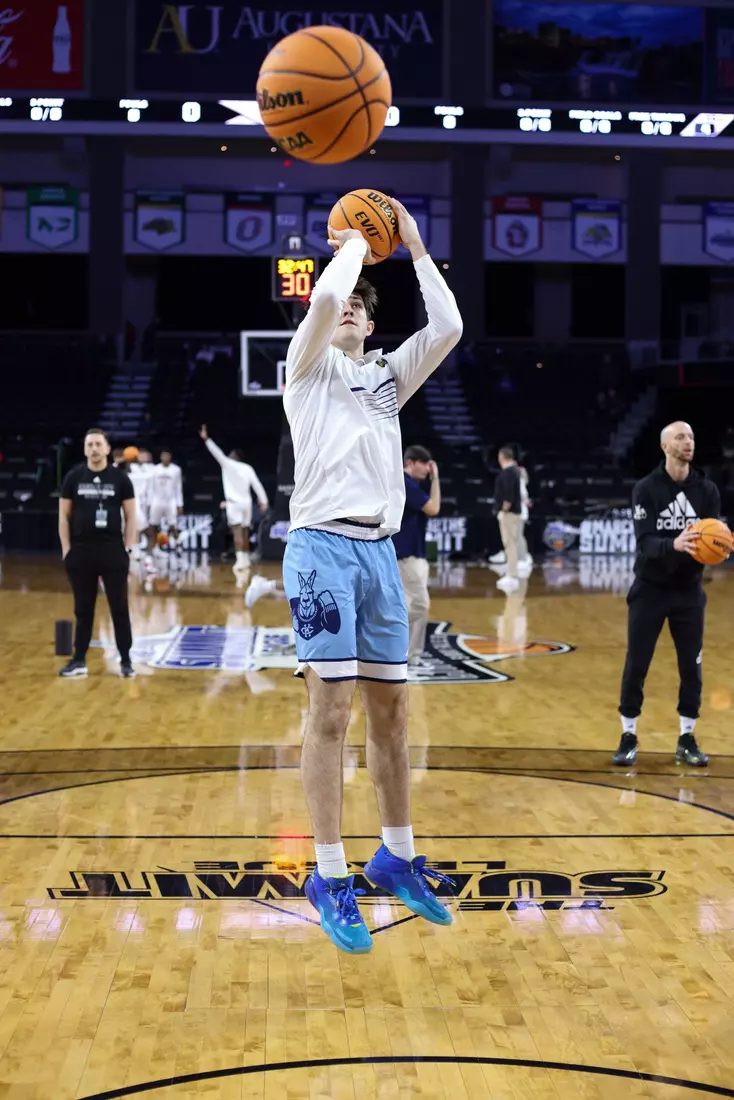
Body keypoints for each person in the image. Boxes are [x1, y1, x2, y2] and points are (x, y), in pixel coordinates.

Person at [282, 199, 462, 953]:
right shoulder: (307, 365)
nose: (350, 307)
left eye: (362, 305)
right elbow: (325, 295)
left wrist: (415, 247)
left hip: (381, 554)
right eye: (346, 301)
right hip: (320, 547)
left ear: (374, 323)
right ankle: (328, 872)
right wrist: (353, 244)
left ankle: (395, 854)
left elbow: (448, 329)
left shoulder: (387, 377)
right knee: (332, 713)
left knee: (392, 716)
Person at [613, 421, 721, 768]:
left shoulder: (707, 490)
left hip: (689, 591)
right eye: (680, 436)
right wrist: (673, 544)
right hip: (650, 589)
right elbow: (644, 543)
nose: (688, 441)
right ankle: (628, 735)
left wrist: (718, 547)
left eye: (691, 436)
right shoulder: (646, 489)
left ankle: (686, 737)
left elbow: (712, 539)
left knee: (692, 667)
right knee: (637, 664)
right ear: (664, 446)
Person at [57, 428, 136, 678]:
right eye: (89, 444)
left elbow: (131, 515)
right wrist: (66, 550)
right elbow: (63, 515)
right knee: (83, 609)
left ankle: (125, 660)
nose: (93, 448)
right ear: (84, 449)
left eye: (98, 444)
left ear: (107, 448)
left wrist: (129, 548)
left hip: (112, 551)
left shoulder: (121, 479)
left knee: (119, 607)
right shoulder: (73, 477)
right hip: (81, 553)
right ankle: (79, 660)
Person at [392, 445, 440, 667]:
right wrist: (436, 479)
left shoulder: (411, 484)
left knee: (415, 606)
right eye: (424, 463)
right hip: (404, 555)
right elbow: (433, 508)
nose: (428, 469)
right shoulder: (405, 483)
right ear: (410, 463)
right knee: (420, 605)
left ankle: (413, 654)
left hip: (414, 553)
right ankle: (379, 631)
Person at [198, 425, 269, 574]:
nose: (228, 456)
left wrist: (206, 439)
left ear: (234, 456)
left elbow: (216, 453)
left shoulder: (228, 464)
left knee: (237, 532)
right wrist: (264, 501)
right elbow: (257, 485)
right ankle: (246, 559)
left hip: (234, 504)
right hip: (247, 504)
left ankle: (240, 561)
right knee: (244, 532)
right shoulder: (248, 468)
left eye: (231, 454)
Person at [494, 446, 530, 592]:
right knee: (512, 543)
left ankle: (512, 575)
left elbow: (508, 495)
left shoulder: (509, 473)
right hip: (514, 512)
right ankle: (512, 573)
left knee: (510, 544)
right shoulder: (516, 471)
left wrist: (503, 510)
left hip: (509, 514)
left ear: (501, 457)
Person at [148, 449, 184, 548]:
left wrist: (180, 504)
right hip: (157, 500)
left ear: (170, 457)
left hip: (170, 501)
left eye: (167, 456)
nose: (165, 458)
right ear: (161, 457)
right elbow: (151, 487)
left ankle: (178, 544)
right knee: (153, 525)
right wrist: (149, 503)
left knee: (173, 525)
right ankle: (154, 546)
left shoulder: (176, 470)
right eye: (163, 456)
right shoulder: (155, 469)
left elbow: (178, 487)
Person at [128, 447, 154, 559]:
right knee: (138, 528)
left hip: (150, 501)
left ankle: (151, 552)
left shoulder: (152, 468)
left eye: (145, 455)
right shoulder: (131, 468)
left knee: (150, 529)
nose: (142, 457)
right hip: (136, 501)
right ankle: (135, 549)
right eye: (140, 455)